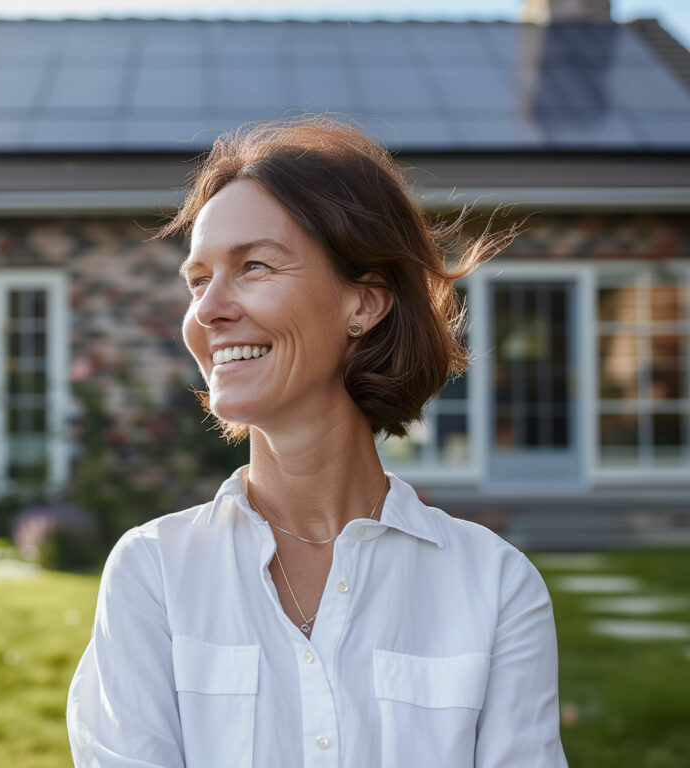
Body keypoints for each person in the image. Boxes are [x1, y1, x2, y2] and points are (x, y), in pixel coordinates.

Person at [66, 115, 568, 768]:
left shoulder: (496, 590)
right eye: (197, 280)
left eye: (253, 265)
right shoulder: (152, 575)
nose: (208, 309)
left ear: (364, 304)